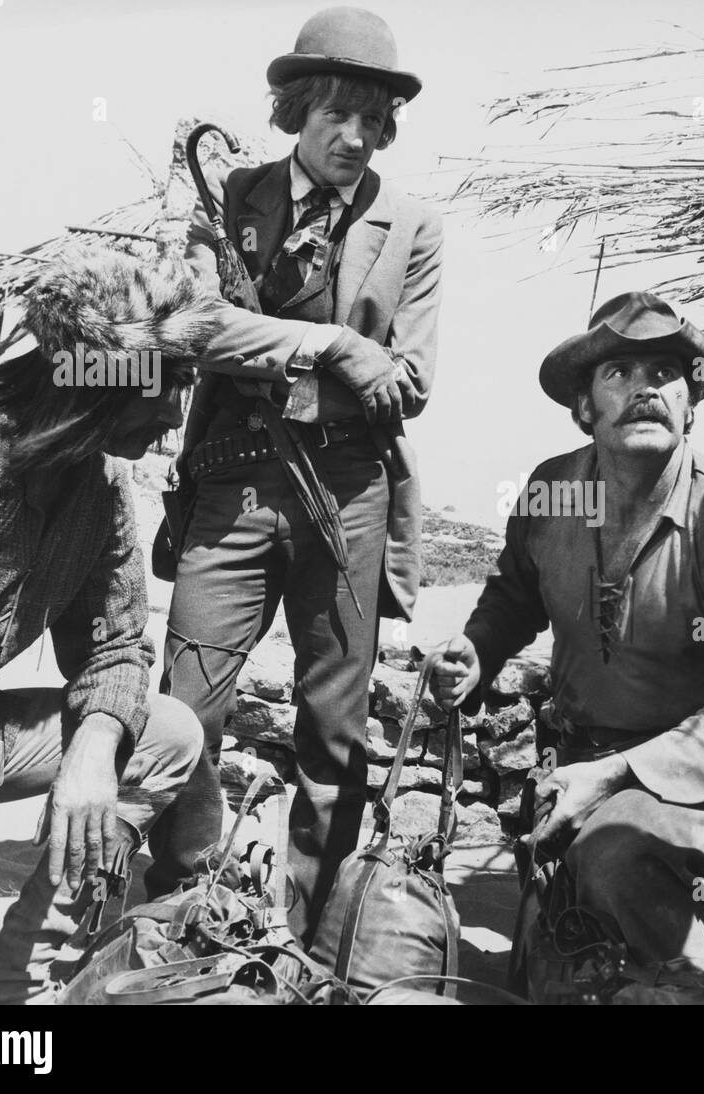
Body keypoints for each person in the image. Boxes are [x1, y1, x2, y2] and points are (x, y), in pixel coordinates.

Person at [147, 5, 443, 960]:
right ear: (296, 111)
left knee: (334, 731)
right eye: (334, 116)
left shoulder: (416, 227)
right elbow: (191, 331)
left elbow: (412, 382)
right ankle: (177, 912)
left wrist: (309, 358)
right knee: (185, 709)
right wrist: (333, 345)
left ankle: (315, 939)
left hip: (349, 494)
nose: (354, 137)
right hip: (228, 490)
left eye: (373, 120)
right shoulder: (229, 198)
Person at [427, 292, 704, 978]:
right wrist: (477, 653)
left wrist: (621, 774)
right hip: (574, 767)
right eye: (619, 373)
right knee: (547, 965)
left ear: (691, 402)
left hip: (692, 786)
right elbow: (514, 593)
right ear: (584, 407)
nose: (646, 387)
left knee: (612, 859)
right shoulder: (552, 489)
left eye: (665, 372)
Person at [0, 251, 209, 1004]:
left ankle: (23, 988)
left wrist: (94, 750)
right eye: (166, 388)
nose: (175, 415)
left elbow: (117, 643)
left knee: (164, 731)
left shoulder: (97, 482)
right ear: (94, 383)